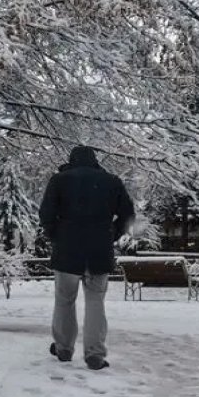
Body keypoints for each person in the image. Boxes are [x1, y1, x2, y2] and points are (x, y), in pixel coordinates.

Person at [39, 145, 134, 370]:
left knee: (64, 300)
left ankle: (63, 348)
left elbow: (46, 214)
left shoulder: (59, 180)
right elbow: (128, 214)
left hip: (67, 250)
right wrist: (112, 234)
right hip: (99, 250)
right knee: (95, 302)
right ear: (95, 161)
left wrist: (57, 236)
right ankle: (95, 353)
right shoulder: (112, 181)